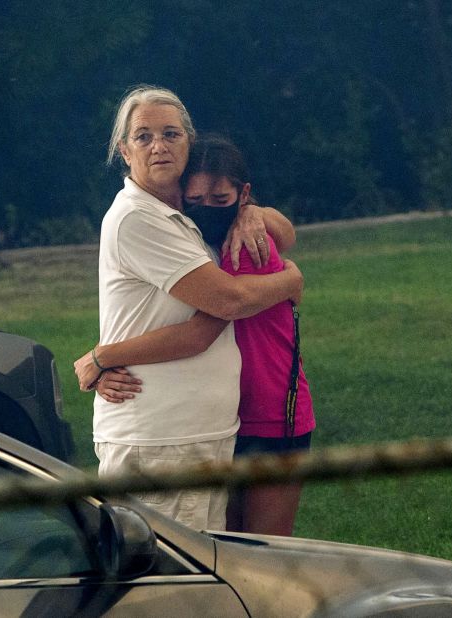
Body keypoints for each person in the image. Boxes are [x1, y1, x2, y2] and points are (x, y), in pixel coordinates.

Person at [86, 85, 302, 532]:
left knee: (208, 580)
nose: (159, 145)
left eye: (170, 134)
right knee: (166, 586)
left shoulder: (188, 218)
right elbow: (225, 303)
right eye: (143, 137)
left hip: (195, 437)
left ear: (190, 143)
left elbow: (282, 232)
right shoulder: (138, 218)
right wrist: (293, 280)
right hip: (160, 439)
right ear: (124, 152)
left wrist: (251, 212)